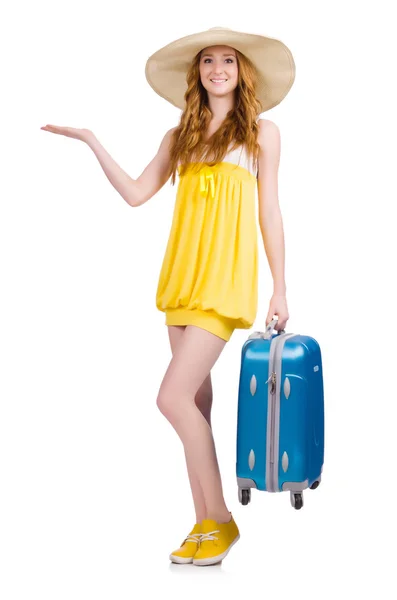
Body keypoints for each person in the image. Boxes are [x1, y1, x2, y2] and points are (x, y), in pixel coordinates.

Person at [41, 26, 294, 567]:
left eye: (228, 60)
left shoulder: (262, 135)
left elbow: (268, 212)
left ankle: (221, 521)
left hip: (223, 286)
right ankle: (202, 522)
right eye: (208, 61)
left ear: (242, 71)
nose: (217, 69)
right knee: (195, 405)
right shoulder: (178, 135)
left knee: (171, 399)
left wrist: (280, 285)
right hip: (181, 283)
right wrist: (91, 139)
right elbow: (136, 193)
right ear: (197, 72)